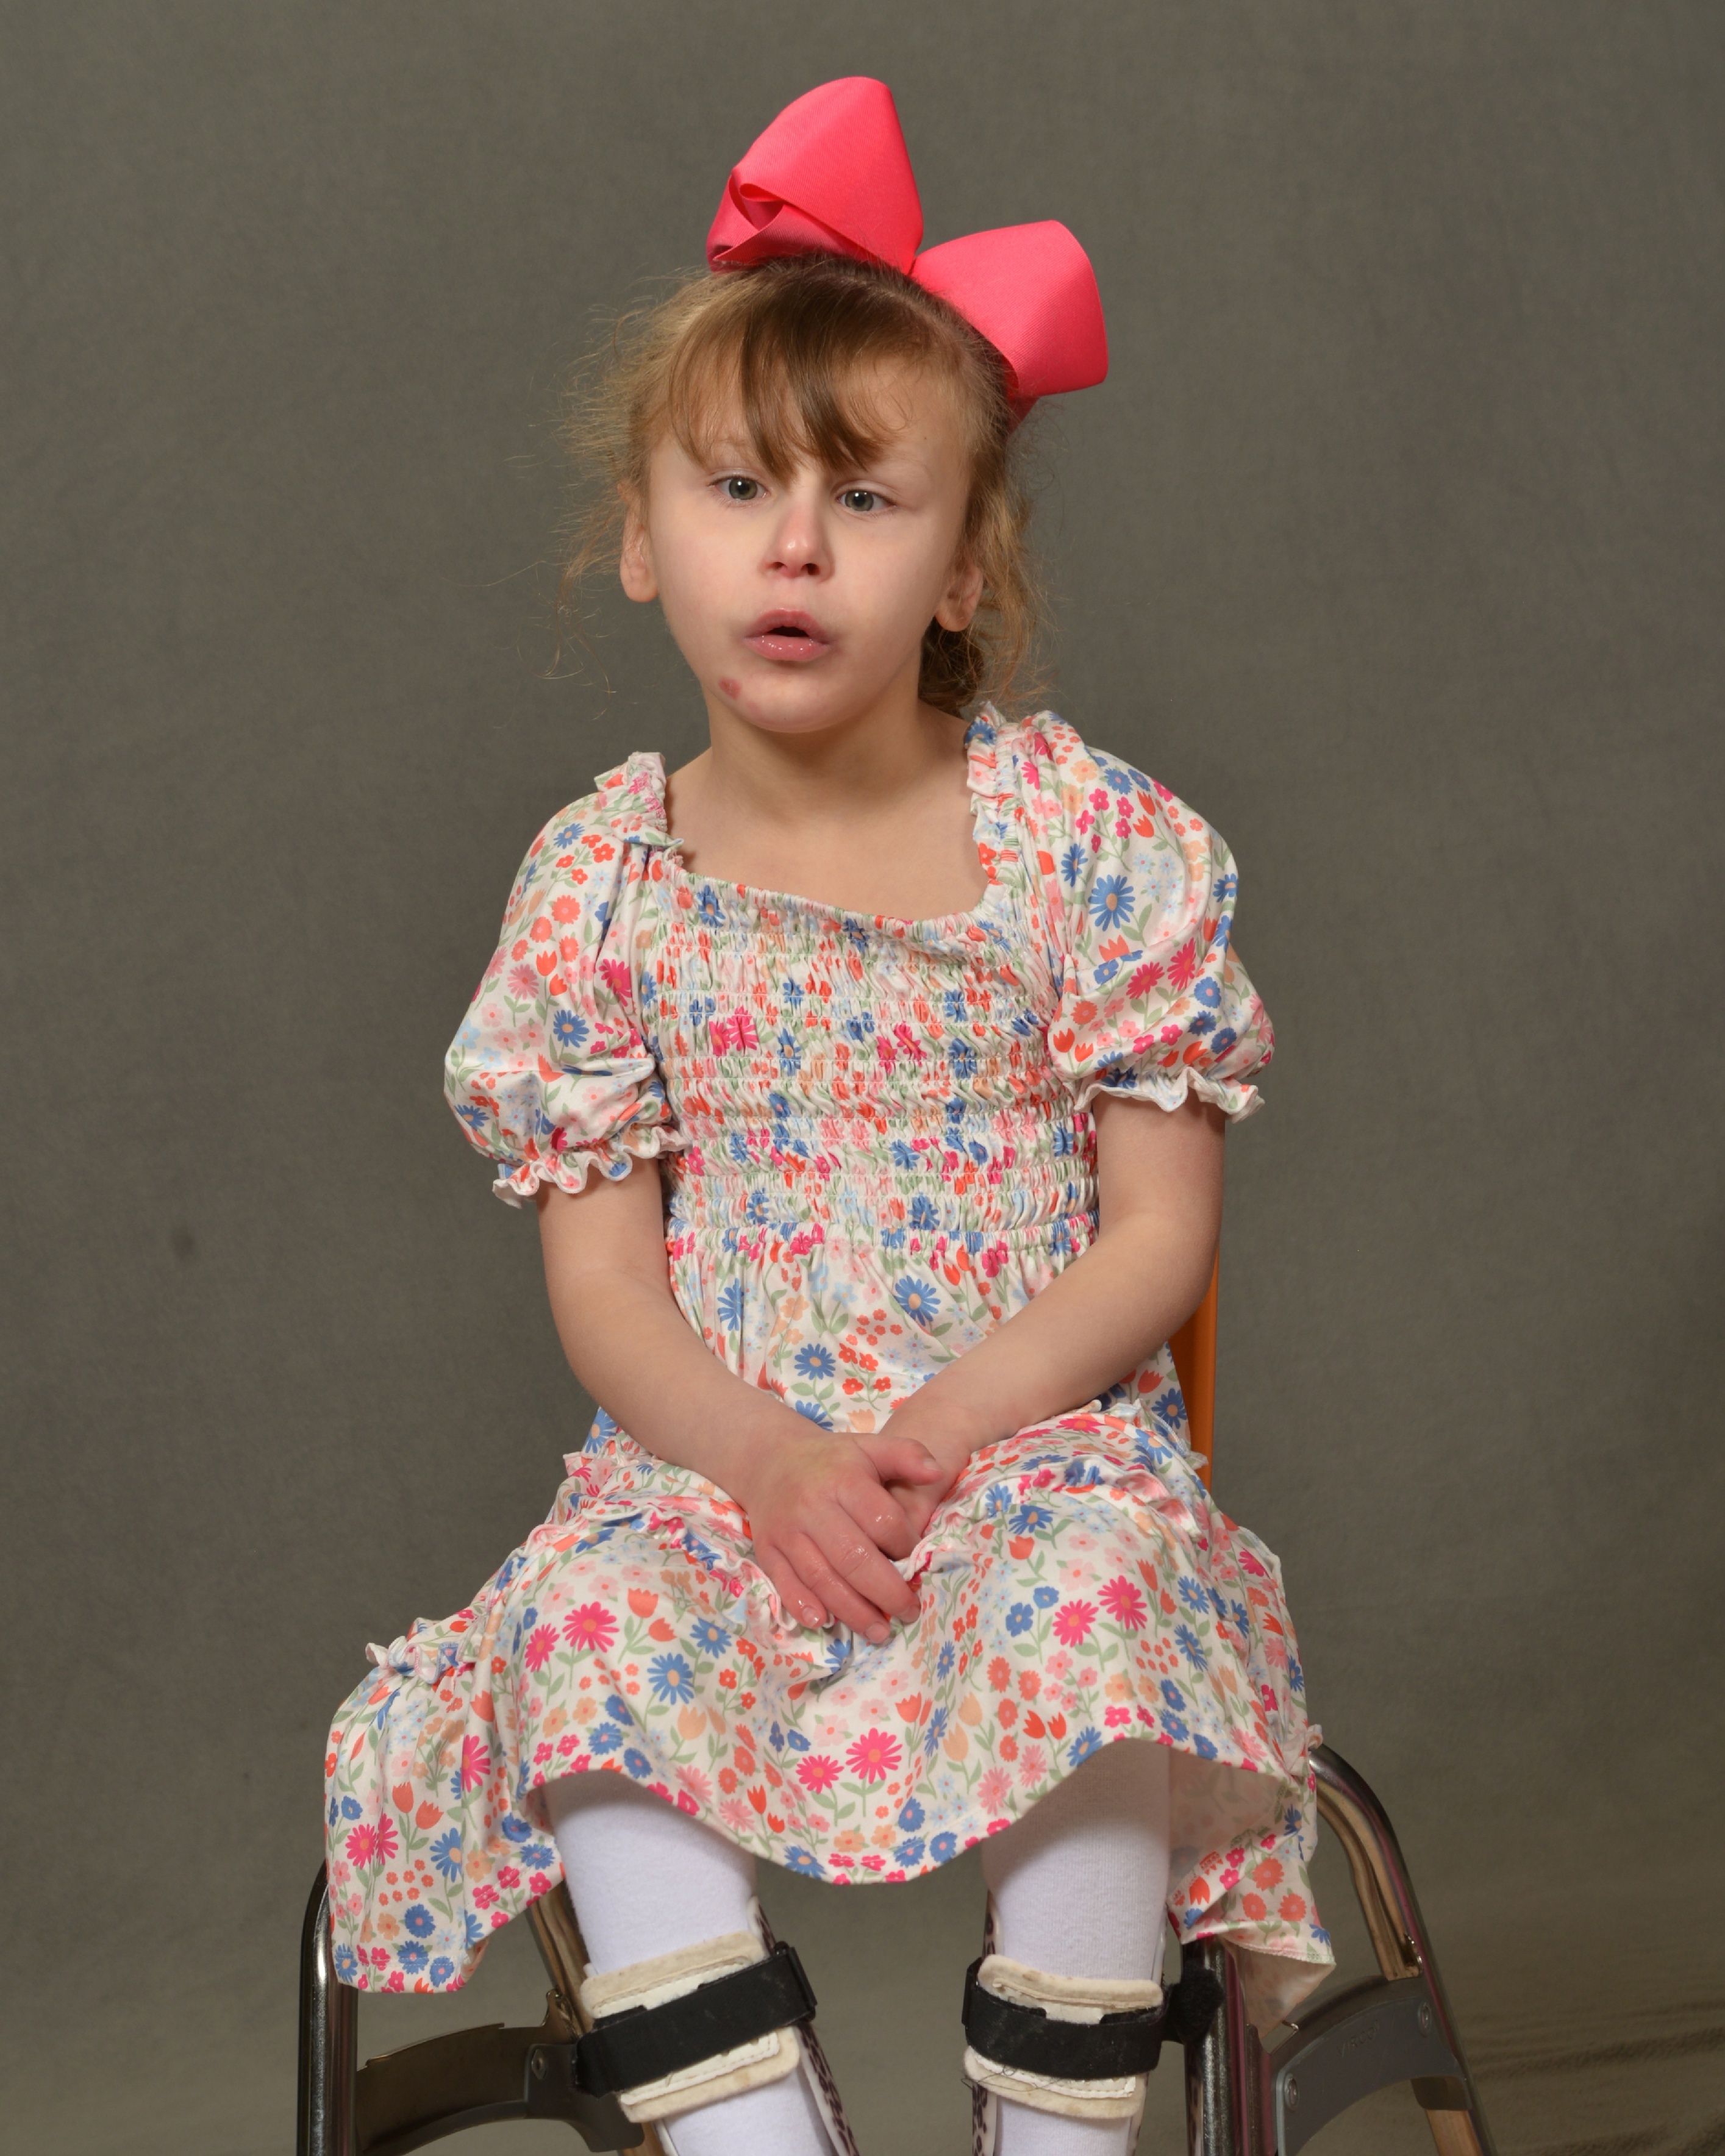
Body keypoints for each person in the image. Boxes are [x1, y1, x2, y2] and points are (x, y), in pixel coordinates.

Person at [323, 77, 1334, 2156]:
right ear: (641, 539)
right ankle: (750, 2138)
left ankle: (1058, 2137)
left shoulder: (1078, 843)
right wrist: (769, 1459)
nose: (793, 546)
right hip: (720, 1466)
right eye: (735, 488)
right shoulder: (605, 886)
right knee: (591, 1638)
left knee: (1091, 1605)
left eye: (868, 500)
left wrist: (953, 1429)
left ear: (966, 567)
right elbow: (607, 1287)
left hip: (1023, 1444)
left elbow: (1159, 1234)